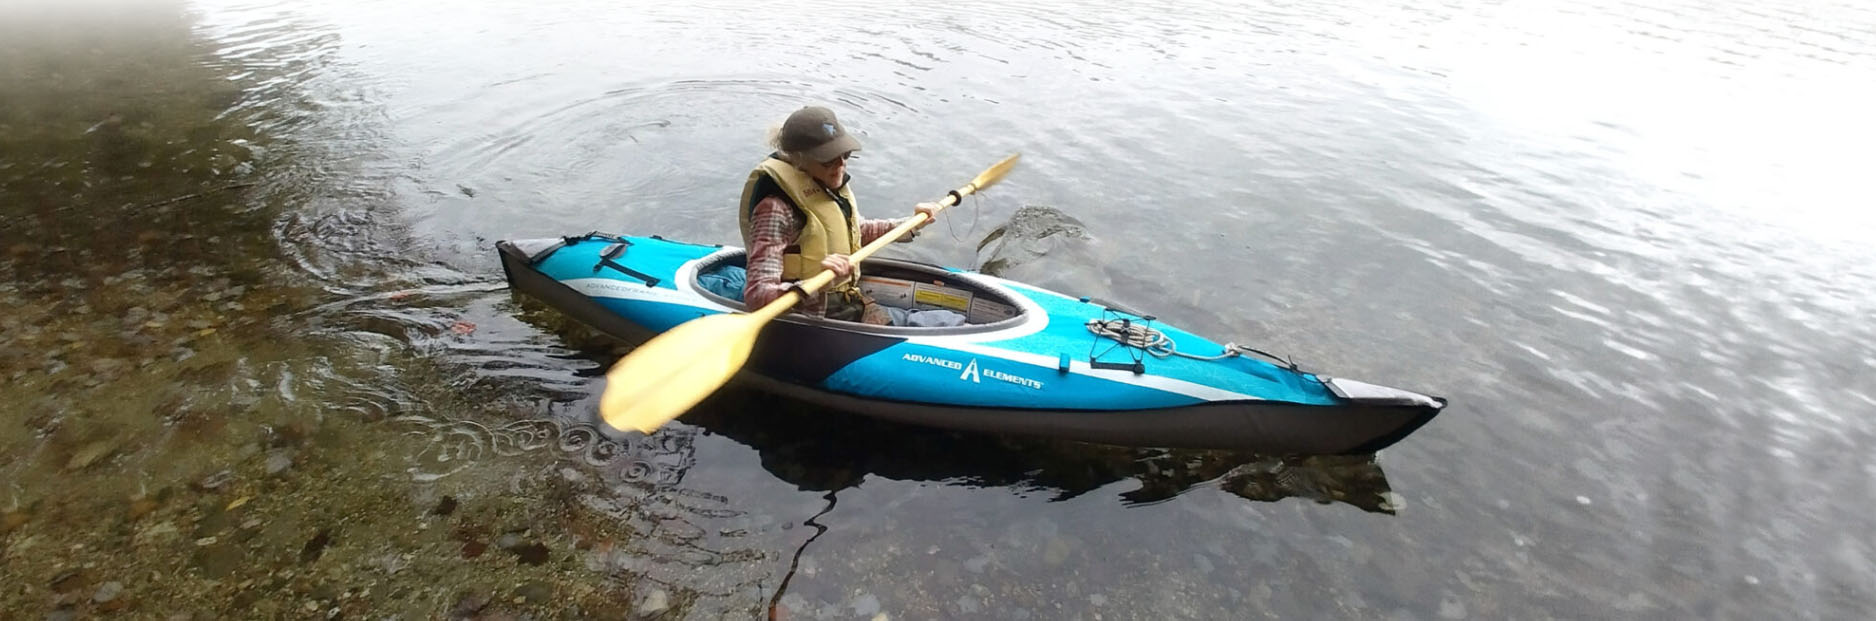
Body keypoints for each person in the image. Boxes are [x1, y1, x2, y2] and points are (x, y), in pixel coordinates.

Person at [738, 106, 940, 325]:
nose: (840, 165)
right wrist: (816, 284)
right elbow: (758, 295)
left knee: (944, 320)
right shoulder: (775, 210)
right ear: (798, 160)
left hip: (850, 302)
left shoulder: (823, 184)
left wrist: (911, 223)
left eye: (845, 154)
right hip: (815, 319)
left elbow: (856, 231)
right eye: (828, 160)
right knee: (943, 322)